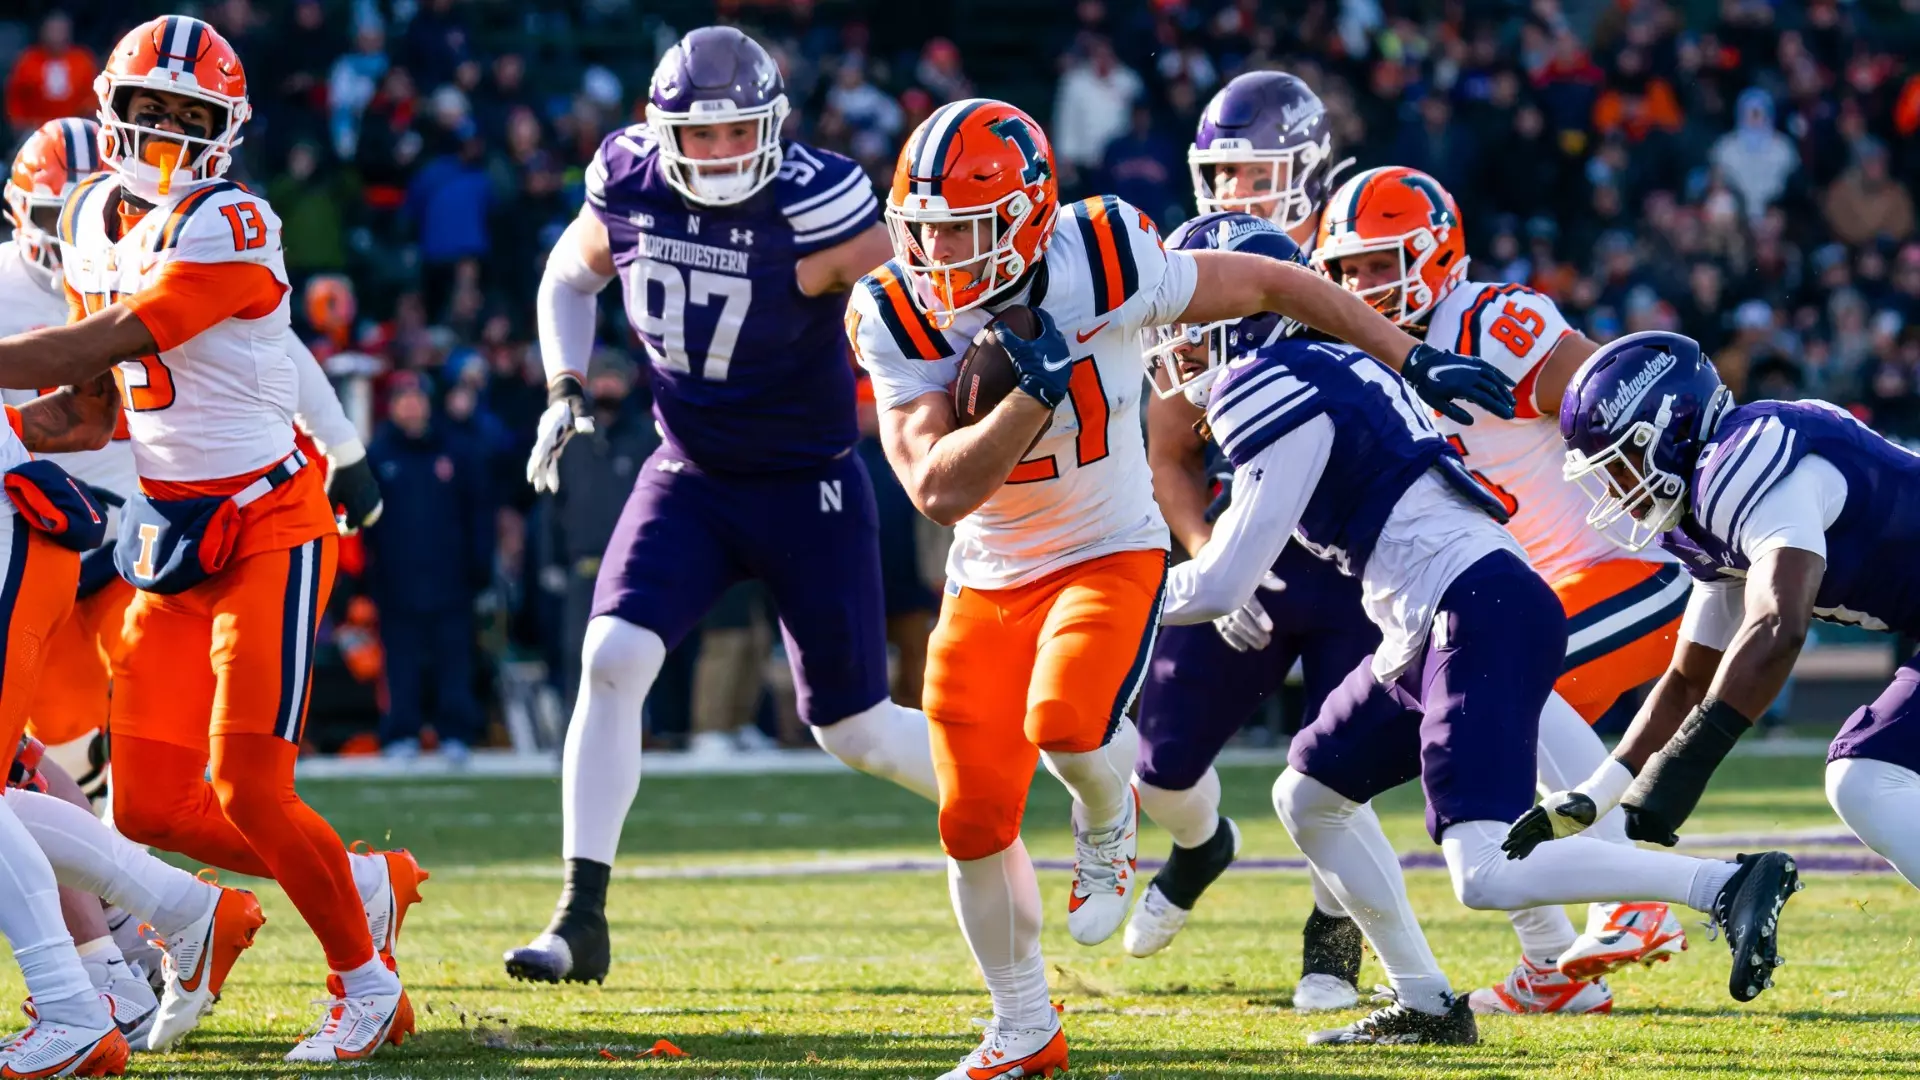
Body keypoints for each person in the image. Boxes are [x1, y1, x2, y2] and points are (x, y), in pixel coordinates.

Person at [852, 95, 1515, 1077]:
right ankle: (1023, 1028)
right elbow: (937, 489)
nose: (938, 253)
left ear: (1028, 217)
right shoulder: (892, 307)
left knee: (1069, 724)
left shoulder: (1103, 255)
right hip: (986, 571)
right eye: (925, 229)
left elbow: (1272, 282)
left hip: (1105, 549)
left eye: (965, 228)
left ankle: (1108, 818)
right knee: (971, 821)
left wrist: (1411, 354)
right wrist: (1031, 396)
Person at [1149, 246, 1802, 1047]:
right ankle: (1427, 1003)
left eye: (1191, 323)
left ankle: (1724, 884)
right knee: (1308, 795)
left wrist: (1103, 597)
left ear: (1243, 320)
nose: (1174, 343)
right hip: (1432, 617)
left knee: (1483, 870)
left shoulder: (1268, 382)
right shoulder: (1326, 365)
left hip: (1470, 606)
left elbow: (1222, 584)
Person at [0, 16, 422, 1061]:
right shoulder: (92, 214)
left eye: (188, 115)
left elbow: (113, 337)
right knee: (148, 806)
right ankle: (361, 885)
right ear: (113, 109)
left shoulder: (233, 220)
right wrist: (16, 433)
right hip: (170, 528)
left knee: (249, 786)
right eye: (149, 108)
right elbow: (93, 406)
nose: (164, 131)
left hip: (270, 521)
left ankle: (366, 984)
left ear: (227, 129)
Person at [507, 26, 942, 986]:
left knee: (856, 729)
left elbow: (928, 312)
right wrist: (563, 385)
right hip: (693, 472)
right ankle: (580, 915)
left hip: (805, 484)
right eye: (698, 135)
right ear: (660, 131)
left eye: (737, 132)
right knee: (610, 659)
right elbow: (569, 274)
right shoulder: (629, 178)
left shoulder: (818, 204)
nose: (717, 152)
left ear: (775, 127)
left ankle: (1021, 789)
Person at [1313, 166, 1692, 1007]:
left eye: (1382, 263)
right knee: (1462, 749)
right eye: (1349, 269)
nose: (1365, 285)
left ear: (1436, 252)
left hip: (1631, 570)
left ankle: (1631, 896)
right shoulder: (1359, 358)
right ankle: (1551, 964)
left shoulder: (1487, 322)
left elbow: (1618, 396)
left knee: (1507, 684)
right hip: (1525, 595)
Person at [1515, 330, 1920, 899]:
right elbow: (1687, 679)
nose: (1619, 492)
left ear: (1667, 431)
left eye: (1622, 467)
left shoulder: (1746, 463)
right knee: (1869, 776)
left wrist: (1688, 761)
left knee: (1868, 778)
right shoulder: (1706, 515)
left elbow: (1778, 626)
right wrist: (1597, 793)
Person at [1126, 211, 1379, 1017]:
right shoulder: (1213, 373)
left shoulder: (1337, 351)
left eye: (1195, 319)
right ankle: (1201, 848)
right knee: (1159, 766)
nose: (1176, 342)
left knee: (1337, 774)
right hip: (1250, 559)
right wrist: (1210, 557)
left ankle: (1334, 944)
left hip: (1358, 576)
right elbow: (1169, 456)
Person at [365, 374, 490, 761]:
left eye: (417, 397)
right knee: (400, 663)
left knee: (454, 659)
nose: (411, 405)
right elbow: (365, 524)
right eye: (403, 398)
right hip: (396, 580)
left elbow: (478, 513)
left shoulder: (456, 451)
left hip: (451, 577)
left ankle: (455, 732)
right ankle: (401, 733)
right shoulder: (377, 456)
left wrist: (480, 566)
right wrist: (369, 578)